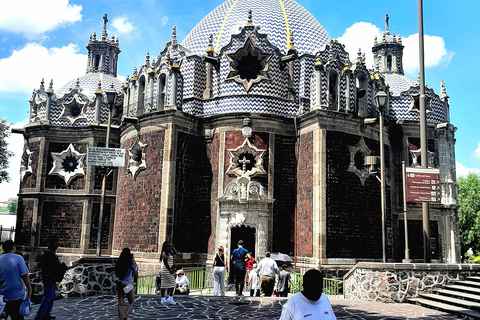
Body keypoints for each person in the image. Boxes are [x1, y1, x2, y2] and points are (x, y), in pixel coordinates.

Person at [34, 239, 67, 320]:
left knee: (51, 296)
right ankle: (40, 315)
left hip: (50, 278)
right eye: (56, 244)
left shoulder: (50, 253)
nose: (57, 246)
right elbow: (52, 267)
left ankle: (46, 313)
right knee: (48, 296)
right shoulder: (49, 253)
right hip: (49, 278)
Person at [0, 240, 32, 320]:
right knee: (17, 316)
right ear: (13, 247)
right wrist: (29, 288)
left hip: (2, 294)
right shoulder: (18, 258)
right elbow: (24, 275)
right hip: (15, 294)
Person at [114, 248, 138, 320]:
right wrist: (133, 260)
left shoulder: (119, 262)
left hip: (119, 283)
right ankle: (125, 317)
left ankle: (120, 318)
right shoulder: (130, 263)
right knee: (131, 302)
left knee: (120, 303)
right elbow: (136, 269)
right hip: (127, 284)